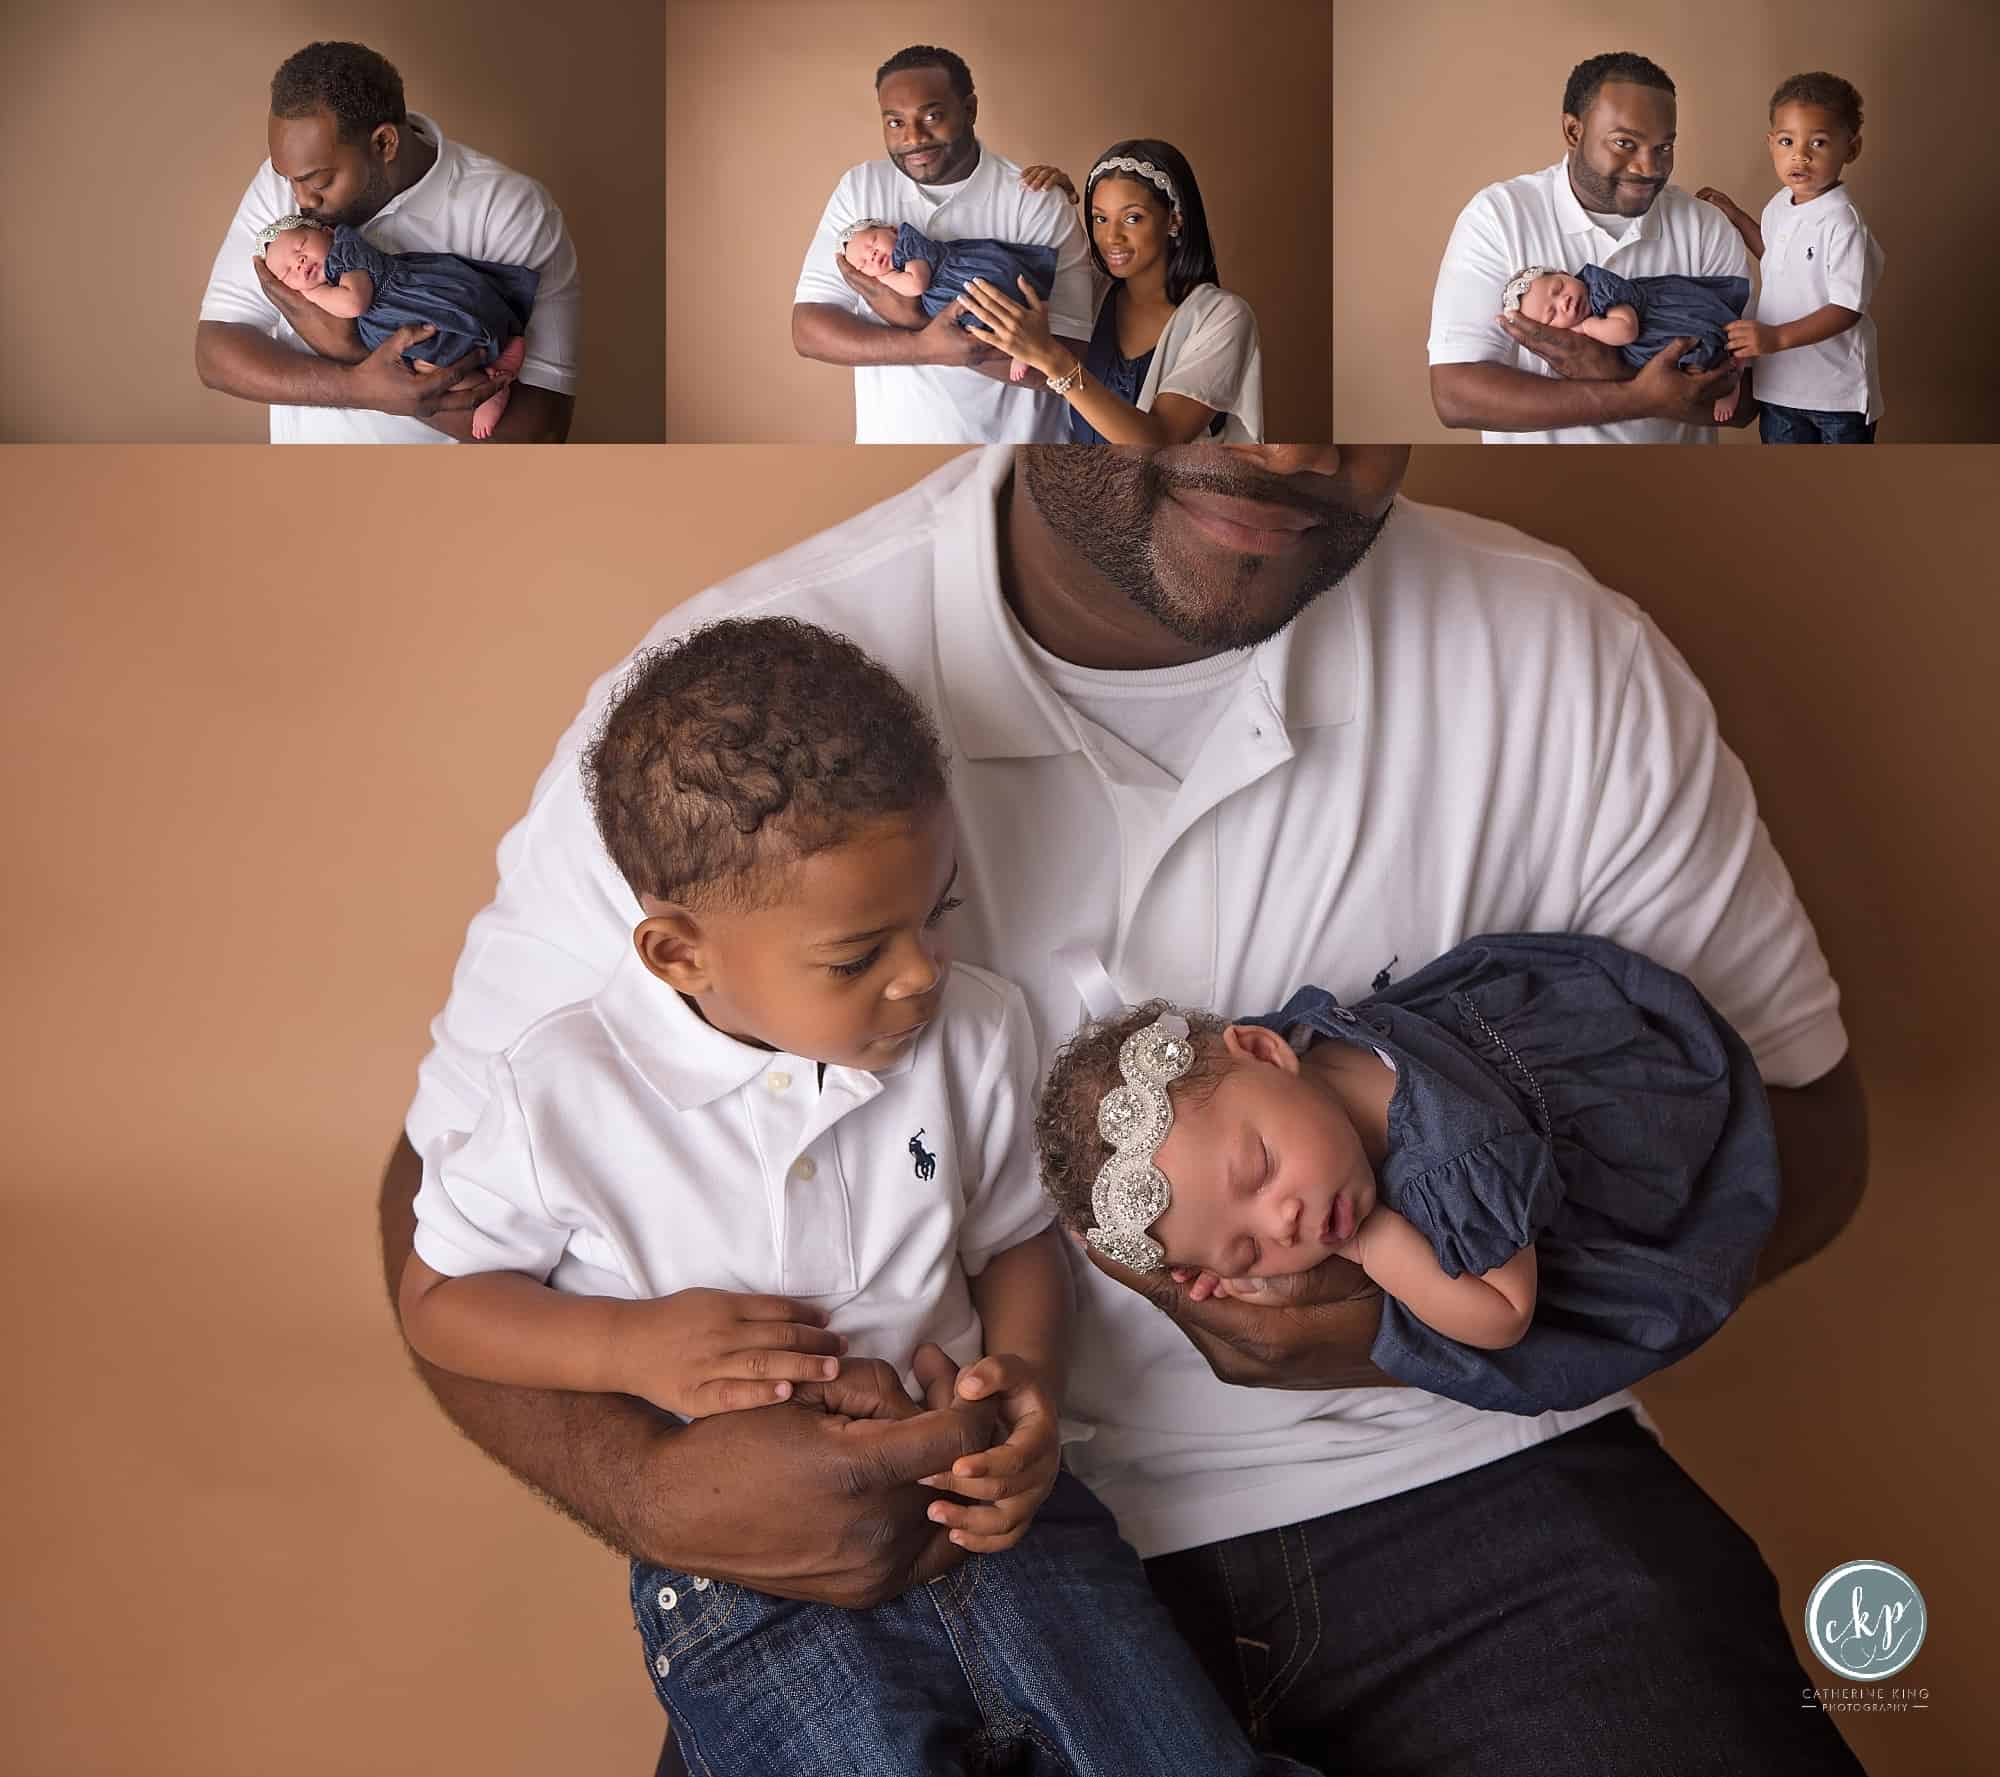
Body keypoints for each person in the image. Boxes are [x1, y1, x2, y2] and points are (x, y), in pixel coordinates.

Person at [381, 444, 1868, 1775]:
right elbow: (444, 1214)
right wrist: (648, 1486)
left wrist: (1438, 1309)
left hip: (1471, 1483)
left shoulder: (1549, 654)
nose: (1283, 443)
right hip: (902, 1546)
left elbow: (1811, 1138)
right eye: (1206, 382)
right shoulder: (715, 731)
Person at [399, 616, 1314, 1776]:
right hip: (751, 1582)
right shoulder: (561, 1097)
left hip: (994, 1520)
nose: (920, 974)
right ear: (679, 955)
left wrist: (1025, 1382)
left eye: (937, 914)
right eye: (855, 956)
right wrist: (629, 1346)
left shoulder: (972, 1029)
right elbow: (440, 1300)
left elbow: (1016, 1240)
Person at [1032, 932, 1780, 1417]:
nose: (1281, 1220)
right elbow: (1211, 1139)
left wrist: (1377, 1244)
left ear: (1265, 1049)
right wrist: (1223, 1258)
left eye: (1258, 1171)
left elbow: (1501, 1313)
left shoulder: (1455, 1164)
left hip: (1623, 1123)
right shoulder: (1288, 1064)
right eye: (1250, 1250)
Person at [196, 40, 578, 444]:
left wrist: (352, 352)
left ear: (384, 144)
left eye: (320, 182)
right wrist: (357, 385)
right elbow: (215, 354)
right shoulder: (293, 179)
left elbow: (539, 434)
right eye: (286, 178)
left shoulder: (508, 209)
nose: (300, 200)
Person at [1428, 51, 1751, 444]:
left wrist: (1612, 369)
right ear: (1573, 131)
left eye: (1664, 148)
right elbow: (1456, 396)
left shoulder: (1706, 227)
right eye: (1625, 143)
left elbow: (1751, 404)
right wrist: (1634, 396)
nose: (1649, 167)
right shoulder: (1499, 217)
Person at [790, 45, 1093, 442]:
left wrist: (917, 321)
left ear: (969, 110)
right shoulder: (862, 188)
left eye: (931, 116)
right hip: (892, 456)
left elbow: (1067, 366)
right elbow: (808, 330)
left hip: (1018, 459)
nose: (913, 138)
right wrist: (923, 346)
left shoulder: (1035, 198)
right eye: (895, 122)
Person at [955, 139, 1265, 443]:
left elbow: (1162, 440)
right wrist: (1048, 202)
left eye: (1132, 218)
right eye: (1100, 218)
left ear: (1174, 220)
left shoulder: (1223, 318)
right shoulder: (1091, 293)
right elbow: (1010, 260)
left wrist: (1055, 361)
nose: (1112, 237)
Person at [1697, 72, 1884, 444]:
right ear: (1771, 144)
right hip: (1780, 389)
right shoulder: (1779, 205)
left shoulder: (1842, 222)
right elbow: (1775, 258)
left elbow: (1847, 308)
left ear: (1851, 148)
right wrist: (1735, 216)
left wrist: (1777, 337)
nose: (1800, 155)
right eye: (1787, 141)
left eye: (1819, 142)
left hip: (1836, 395)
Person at [255, 216, 537, 439]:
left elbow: (354, 304)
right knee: (430, 362)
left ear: (328, 232)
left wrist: (312, 294)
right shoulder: (331, 275)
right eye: (286, 272)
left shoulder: (346, 252)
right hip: (398, 319)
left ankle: (491, 386)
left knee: (433, 359)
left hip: (411, 301)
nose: (298, 261)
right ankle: (498, 359)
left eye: (300, 245)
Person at [1500, 264, 1750, 422]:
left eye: (1559, 288)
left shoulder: (1601, 289)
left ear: (1566, 274)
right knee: (1691, 374)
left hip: (1668, 320)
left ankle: (1733, 376)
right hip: (1653, 347)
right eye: (1552, 314)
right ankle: (1727, 377)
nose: (1563, 302)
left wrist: (1587, 327)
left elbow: (1626, 331)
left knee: (1706, 350)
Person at [836, 218, 1059, 380]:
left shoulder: (908, 245)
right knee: (982, 324)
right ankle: (1020, 345)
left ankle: (1028, 333)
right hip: (953, 292)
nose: (872, 255)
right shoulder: (900, 265)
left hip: (964, 273)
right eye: (863, 264)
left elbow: (916, 284)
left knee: (1001, 294)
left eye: (872, 242)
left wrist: (886, 277)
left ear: (892, 230)